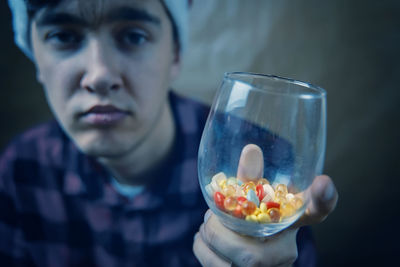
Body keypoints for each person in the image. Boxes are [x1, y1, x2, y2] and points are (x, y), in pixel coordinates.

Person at [1, 0, 338, 266]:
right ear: (34, 55)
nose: (100, 75)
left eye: (133, 35)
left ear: (175, 53)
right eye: (63, 36)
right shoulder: (20, 171)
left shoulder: (265, 173)